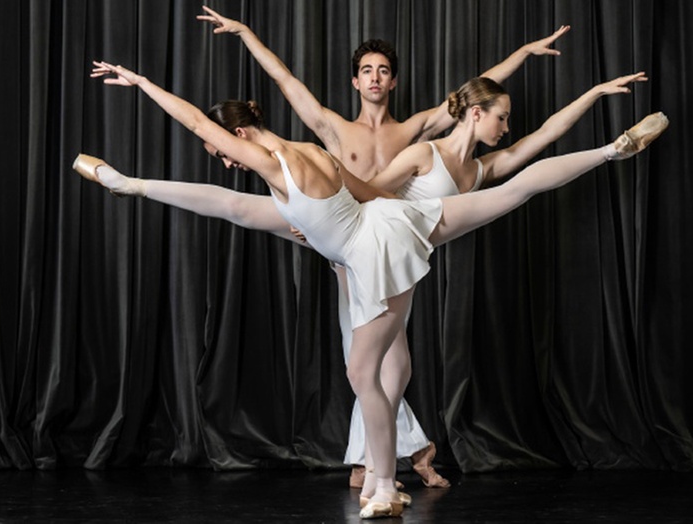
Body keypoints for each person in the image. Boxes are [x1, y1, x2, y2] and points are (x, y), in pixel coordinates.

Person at [79, 60, 667, 518]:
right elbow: (343, 197)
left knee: (364, 373)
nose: (221, 157)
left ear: (238, 134)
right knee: (510, 193)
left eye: (221, 149)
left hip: (373, 248)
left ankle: (384, 485)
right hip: (389, 225)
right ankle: (610, 150)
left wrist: (142, 83)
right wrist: (351, 229)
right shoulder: (311, 153)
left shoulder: (270, 160)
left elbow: (197, 125)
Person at [197, 5, 574, 490]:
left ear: (393, 81)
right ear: (355, 81)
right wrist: (246, 33)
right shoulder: (334, 128)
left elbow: (473, 94)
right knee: (362, 360)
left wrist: (522, 54)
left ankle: (381, 461)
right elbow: (287, 82)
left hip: (392, 247)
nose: (375, 78)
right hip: (344, 249)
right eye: (367, 70)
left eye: (383, 71)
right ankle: (395, 457)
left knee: (382, 363)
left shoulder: (412, 130)